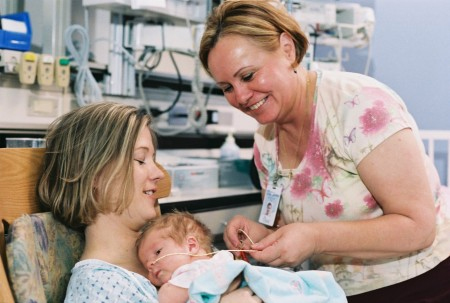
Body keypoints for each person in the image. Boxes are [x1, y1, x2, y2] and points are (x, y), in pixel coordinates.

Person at [199, 0, 450, 302]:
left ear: (287, 50)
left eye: (248, 76)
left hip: (424, 284)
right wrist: (267, 236)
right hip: (332, 293)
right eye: (226, 87)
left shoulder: (359, 107)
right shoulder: (266, 139)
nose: (240, 96)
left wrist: (314, 238)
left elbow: (418, 227)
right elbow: (296, 222)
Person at [36, 102, 262, 302]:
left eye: (153, 160)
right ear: (94, 175)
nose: (159, 174)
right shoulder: (98, 288)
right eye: (140, 160)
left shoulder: (174, 246)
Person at [136, 211, 347, 303]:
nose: (152, 267)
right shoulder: (221, 259)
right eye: (147, 267)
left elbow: (167, 299)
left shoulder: (188, 273)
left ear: (191, 245)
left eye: (157, 253)